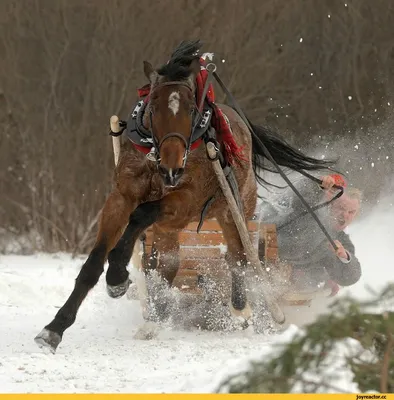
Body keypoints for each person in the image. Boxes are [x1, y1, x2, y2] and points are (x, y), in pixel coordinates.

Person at [258, 173, 362, 297]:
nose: (345, 215)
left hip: (284, 284)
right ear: (330, 203)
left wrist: (343, 259)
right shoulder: (309, 213)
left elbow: (351, 276)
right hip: (261, 245)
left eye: (351, 212)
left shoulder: (340, 242)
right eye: (341, 208)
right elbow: (300, 198)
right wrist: (317, 187)